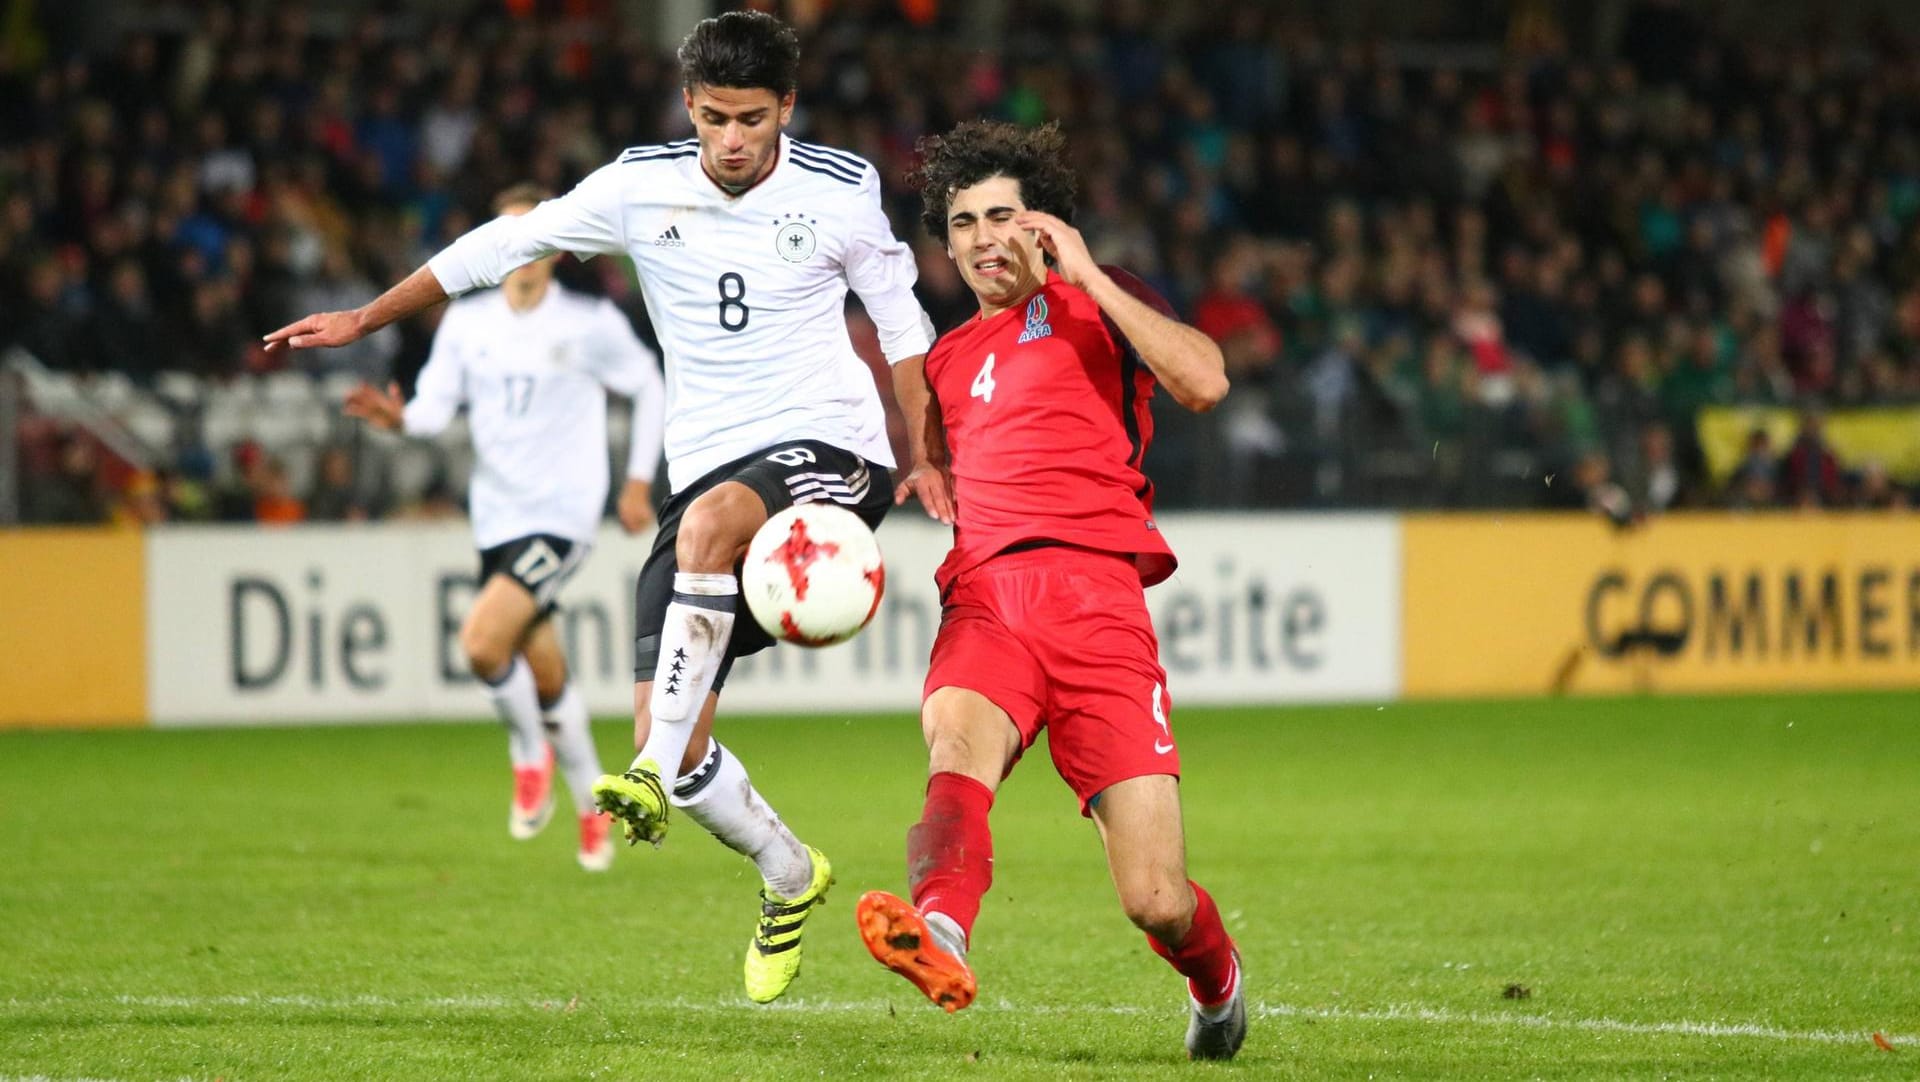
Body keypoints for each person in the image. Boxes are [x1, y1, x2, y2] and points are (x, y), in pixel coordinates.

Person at [266, 11, 941, 1003]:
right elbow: (503, 244)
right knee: (674, 720)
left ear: (788, 107)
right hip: (708, 469)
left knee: (692, 600)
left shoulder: (840, 190)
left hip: (831, 453)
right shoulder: (637, 185)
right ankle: (789, 871)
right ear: (689, 107)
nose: (733, 140)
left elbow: (902, 323)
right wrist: (368, 317)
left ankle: (649, 772)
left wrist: (922, 455)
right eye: (715, 118)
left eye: (754, 118)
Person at [853, 120, 1246, 1060]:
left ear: (1041, 224)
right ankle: (940, 931)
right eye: (964, 222)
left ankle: (1217, 980)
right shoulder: (943, 361)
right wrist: (927, 472)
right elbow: (937, 460)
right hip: (988, 592)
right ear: (943, 246)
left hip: (1100, 603)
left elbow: (1205, 382)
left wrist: (1090, 275)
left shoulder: (1100, 307)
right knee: (956, 739)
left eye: (1003, 214)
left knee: (1156, 898)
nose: (985, 235)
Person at [340, 182, 667, 873]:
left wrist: (638, 481)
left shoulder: (589, 322)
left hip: (563, 516)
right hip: (496, 516)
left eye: (533, 239)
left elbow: (649, 384)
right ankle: (590, 808)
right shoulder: (468, 324)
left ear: (554, 249)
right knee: (543, 667)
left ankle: (527, 755)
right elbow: (433, 409)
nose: (520, 253)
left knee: (483, 644)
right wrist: (398, 420)